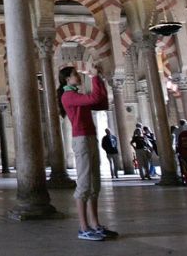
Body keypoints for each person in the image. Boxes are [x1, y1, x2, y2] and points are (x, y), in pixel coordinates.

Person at [58, 64, 117, 242]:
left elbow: (102, 102)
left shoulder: (76, 95)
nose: (79, 76)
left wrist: (99, 78)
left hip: (90, 138)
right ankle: (83, 228)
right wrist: (94, 77)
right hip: (81, 140)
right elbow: (94, 98)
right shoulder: (68, 96)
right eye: (75, 74)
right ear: (67, 79)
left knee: (94, 184)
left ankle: (95, 224)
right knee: (84, 184)